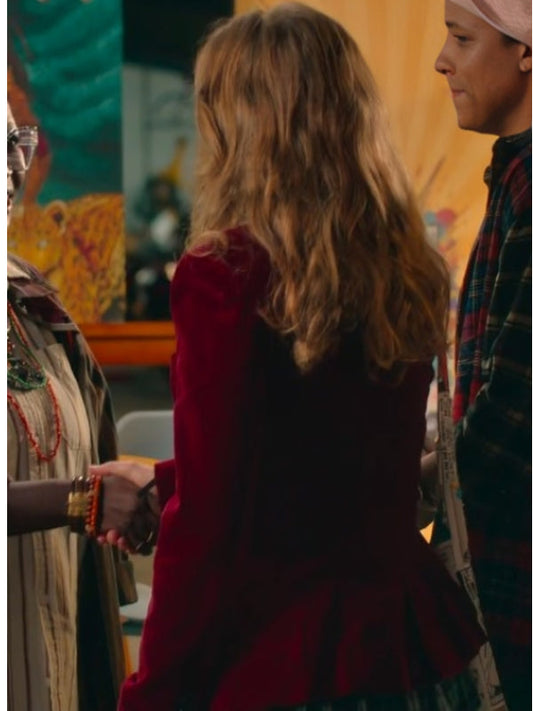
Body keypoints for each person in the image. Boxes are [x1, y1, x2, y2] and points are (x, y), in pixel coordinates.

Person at [94, 4, 487, 709]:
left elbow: (212, 530)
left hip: (289, 656)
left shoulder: (227, 274)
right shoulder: (405, 267)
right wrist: (167, 478)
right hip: (408, 643)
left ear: (237, 124)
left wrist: (153, 692)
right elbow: (329, 463)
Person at [6, 101, 155, 711]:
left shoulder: (29, 299)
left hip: (57, 640)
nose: (14, 165)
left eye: (17, 140)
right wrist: (83, 501)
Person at [432, 1, 532, 707]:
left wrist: (423, 485)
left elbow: (516, 409)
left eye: (462, 37)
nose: (442, 61)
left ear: (525, 51)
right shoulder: (514, 174)